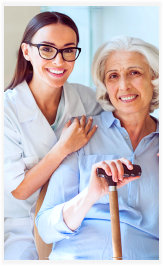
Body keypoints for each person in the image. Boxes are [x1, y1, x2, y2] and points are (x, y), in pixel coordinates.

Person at [36, 36, 159, 260]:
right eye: (113, 76)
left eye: (135, 73)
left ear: (155, 78)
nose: (124, 86)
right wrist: (91, 194)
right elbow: (45, 228)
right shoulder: (81, 134)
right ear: (105, 85)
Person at [4, 11, 102, 260]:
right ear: (27, 52)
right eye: (47, 49)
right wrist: (63, 148)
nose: (59, 61)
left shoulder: (88, 99)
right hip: (18, 226)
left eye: (68, 50)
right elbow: (20, 190)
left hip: (73, 219)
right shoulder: (7, 110)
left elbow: (127, 125)